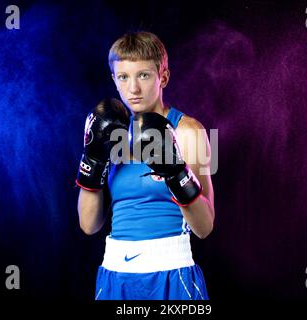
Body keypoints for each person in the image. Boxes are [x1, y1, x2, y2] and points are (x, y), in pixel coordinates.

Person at [75, 31, 215, 300]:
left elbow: (205, 227)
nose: (133, 89)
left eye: (144, 75)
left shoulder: (189, 131)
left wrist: (176, 171)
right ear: (114, 80)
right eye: (124, 77)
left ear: (163, 76)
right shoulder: (107, 130)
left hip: (172, 272)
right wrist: (93, 157)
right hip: (115, 272)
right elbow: (88, 225)